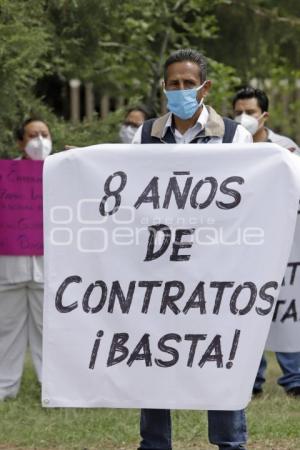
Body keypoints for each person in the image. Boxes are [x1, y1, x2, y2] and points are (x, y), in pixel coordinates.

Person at [133, 48, 252, 450]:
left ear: (205, 87)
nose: (180, 90)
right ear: (163, 87)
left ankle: (229, 443)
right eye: (173, 84)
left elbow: (250, 201)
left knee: (218, 356)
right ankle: (154, 443)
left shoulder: (236, 136)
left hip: (216, 271)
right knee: (154, 357)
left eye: (188, 83)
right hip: (160, 269)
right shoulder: (145, 134)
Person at [232, 86, 300, 397]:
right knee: (246, 307)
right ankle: (251, 379)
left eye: (250, 112)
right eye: (238, 113)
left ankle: (294, 379)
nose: (244, 118)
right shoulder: (230, 146)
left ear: (264, 116)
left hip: (282, 245)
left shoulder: (286, 148)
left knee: (286, 306)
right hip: (245, 241)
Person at [0, 118, 52, 400]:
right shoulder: (5, 175)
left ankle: (52, 386)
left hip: (48, 267)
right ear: (20, 142)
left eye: (45, 134)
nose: (40, 140)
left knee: (49, 329)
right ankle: (4, 386)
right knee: (6, 329)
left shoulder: (62, 172)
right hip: (9, 267)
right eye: (33, 135)